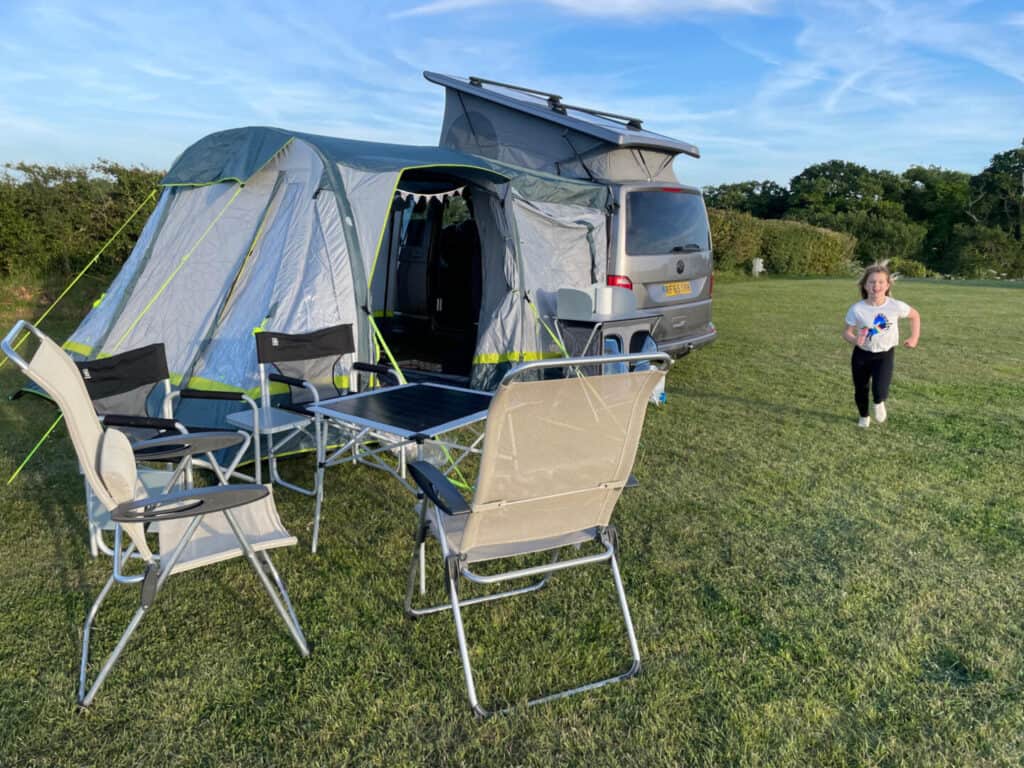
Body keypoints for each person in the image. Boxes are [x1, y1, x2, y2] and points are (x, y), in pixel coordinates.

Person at [842, 263, 921, 427]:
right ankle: (864, 416)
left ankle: (878, 402)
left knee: (880, 389)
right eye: (871, 282)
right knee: (861, 389)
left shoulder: (895, 306)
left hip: (884, 355)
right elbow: (846, 332)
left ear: (887, 285)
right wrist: (855, 340)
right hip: (861, 355)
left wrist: (914, 338)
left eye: (880, 282)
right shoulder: (857, 309)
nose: (876, 286)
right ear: (865, 285)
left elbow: (915, 316)